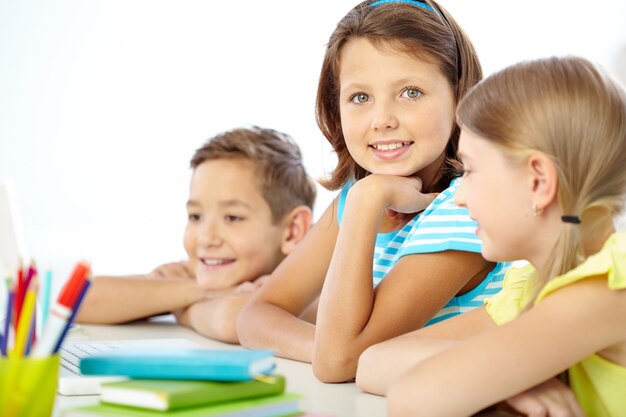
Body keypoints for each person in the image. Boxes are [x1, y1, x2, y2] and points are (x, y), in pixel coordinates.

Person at [236, 0, 509, 383]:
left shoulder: (466, 208)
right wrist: (325, 348)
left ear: (460, 96)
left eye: (410, 92)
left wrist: (367, 203)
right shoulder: (360, 193)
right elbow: (257, 315)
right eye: (360, 97)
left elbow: (339, 363)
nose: (382, 120)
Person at [364, 56, 626, 417]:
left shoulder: (606, 291)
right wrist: (519, 380)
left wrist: (495, 375)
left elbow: (414, 396)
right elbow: (373, 363)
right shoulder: (535, 287)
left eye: (470, 170)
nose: (459, 195)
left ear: (539, 182)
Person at [76, 126, 317, 343]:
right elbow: (81, 299)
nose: (206, 237)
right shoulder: (202, 275)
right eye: (195, 216)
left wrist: (178, 306)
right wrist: (203, 292)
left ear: (292, 231)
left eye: (232, 218)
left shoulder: (314, 282)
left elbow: (232, 320)